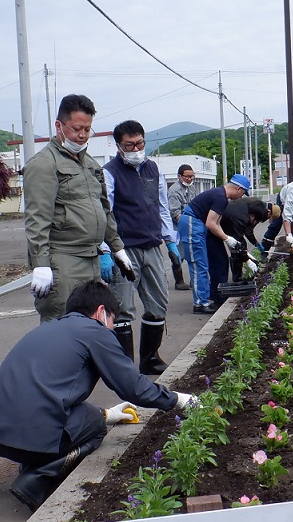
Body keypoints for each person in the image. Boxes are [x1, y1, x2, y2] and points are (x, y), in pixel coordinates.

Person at [0, 281, 195, 511]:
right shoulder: (95, 332)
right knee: (96, 427)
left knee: (88, 414)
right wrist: (179, 400)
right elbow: (135, 389)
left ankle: (34, 458)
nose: (112, 329)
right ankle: (37, 479)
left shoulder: (49, 328)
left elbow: (48, 391)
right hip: (25, 434)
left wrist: (108, 413)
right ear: (100, 312)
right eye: (112, 321)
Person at [22, 93, 136, 322]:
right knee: (61, 325)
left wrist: (117, 248)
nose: (82, 135)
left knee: (90, 324)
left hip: (91, 259)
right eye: (76, 128)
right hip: (63, 260)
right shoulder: (44, 165)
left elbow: (104, 210)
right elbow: (37, 219)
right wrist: (41, 265)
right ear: (59, 126)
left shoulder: (90, 164)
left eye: (87, 129)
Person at [102, 119, 180, 375]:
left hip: (152, 245)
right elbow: (106, 212)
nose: (136, 149)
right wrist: (105, 249)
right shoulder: (109, 172)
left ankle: (150, 358)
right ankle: (124, 369)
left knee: (159, 303)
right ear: (118, 146)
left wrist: (170, 240)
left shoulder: (153, 169)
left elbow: (162, 207)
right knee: (123, 308)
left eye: (140, 143)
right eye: (130, 145)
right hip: (124, 249)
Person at [178, 174, 250, 314]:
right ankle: (200, 304)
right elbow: (211, 223)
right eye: (243, 193)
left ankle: (203, 300)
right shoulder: (220, 198)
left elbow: (216, 223)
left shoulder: (220, 195)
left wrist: (226, 238)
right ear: (238, 189)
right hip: (192, 224)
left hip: (195, 224)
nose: (242, 196)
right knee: (199, 265)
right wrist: (226, 238)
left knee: (202, 264)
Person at [211, 197, 272, 292]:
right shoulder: (240, 218)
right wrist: (248, 260)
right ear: (252, 216)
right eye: (255, 221)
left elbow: (241, 240)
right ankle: (216, 294)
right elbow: (237, 243)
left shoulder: (246, 209)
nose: (254, 223)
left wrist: (247, 254)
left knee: (223, 260)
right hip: (210, 230)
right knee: (220, 262)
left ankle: (216, 292)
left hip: (219, 227)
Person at [166, 164, 198, 290]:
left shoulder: (192, 188)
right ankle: (179, 281)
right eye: (187, 176)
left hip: (189, 224)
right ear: (179, 176)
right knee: (178, 255)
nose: (189, 179)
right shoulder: (173, 191)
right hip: (176, 227)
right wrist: (187, 223)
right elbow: (175, 213)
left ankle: (193, 280)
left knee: (192, 254)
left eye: (191, 176)